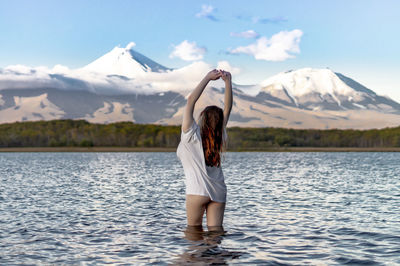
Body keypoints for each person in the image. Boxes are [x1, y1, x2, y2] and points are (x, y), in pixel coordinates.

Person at [176, 69, 232, 230]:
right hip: (219, 191)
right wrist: (228, 82)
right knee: (215, 236)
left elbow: (190, 101)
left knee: (193, 234)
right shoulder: (220, 135)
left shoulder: (190, 134)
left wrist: (207, 78)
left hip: (197, 191)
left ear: (202, 117)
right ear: (219, 122)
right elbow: (227, 108)